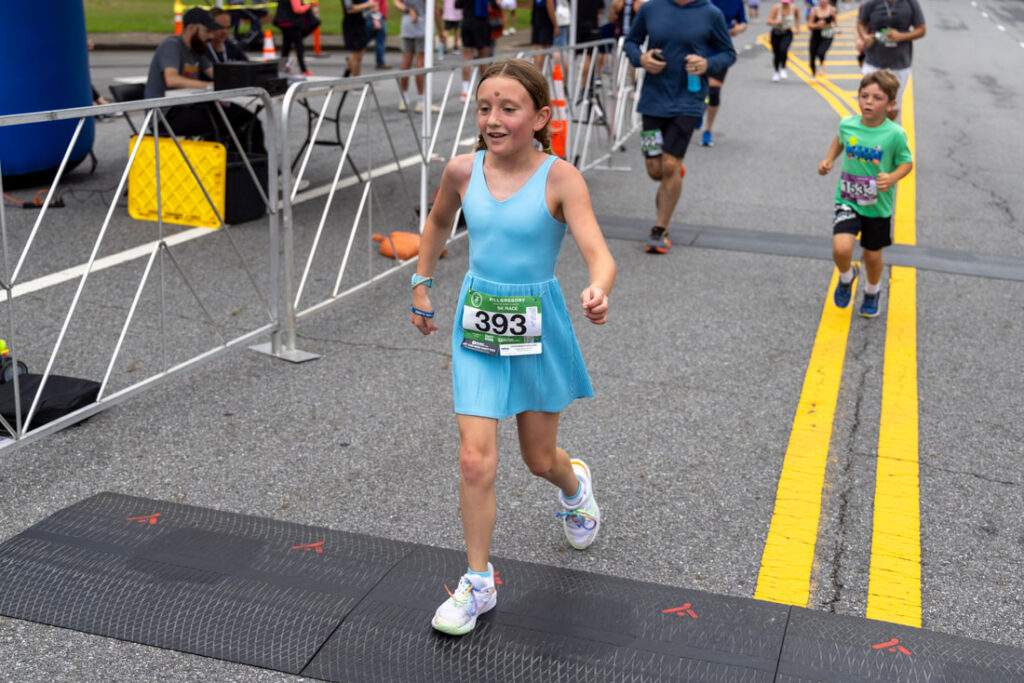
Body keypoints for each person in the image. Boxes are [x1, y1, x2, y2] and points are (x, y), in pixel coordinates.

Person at [410, 58, 615, 636]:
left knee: (538, 460)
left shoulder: (561, 179)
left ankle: (574, 488)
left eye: (508, 108)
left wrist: (598, 288)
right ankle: (478, 583)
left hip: (537, 326)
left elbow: (598, 252)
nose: (493, 120)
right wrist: (421, 281)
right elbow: (437, 222)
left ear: (540, 116)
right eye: (484, 108)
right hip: (477, 324)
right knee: (474, 458)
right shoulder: (461, 170)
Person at [623, 0, 735, 254]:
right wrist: (641, 58)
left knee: (670, 164)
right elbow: (630, 42)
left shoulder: (711, 13)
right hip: (653, 101)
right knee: (655, 169)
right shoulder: (651, 8)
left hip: (689, 101)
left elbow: (728, 53)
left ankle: (660, 229)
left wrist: (707, 64)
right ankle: (671, 174)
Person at [817, 70, 913, 317]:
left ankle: (872, 290)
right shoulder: (847, 124)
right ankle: (846, 277)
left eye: (877, 98)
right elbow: (840, 140)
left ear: (890, 104)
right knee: (841, 249)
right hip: (848, 199)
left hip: (877, 206)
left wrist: (892, 177)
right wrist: (829, 159)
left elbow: (906, 163)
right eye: (864, 96)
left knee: (871, 255)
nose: (869, 102)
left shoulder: (894, 134)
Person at [144, 7, 265, 154]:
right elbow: (172, 79)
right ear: (191, 28)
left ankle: (249, 162)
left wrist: (247, 78)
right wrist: (209, 85)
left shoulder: (196, 49)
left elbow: (215, 73)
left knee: (245, 119)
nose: (210, 36)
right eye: (207, 31)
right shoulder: (172, 45)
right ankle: (235, 162)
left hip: (187, 107)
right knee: (224, 121)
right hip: (165, 115)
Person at [856, 0, 925, 117]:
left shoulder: (910, 3)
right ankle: (872, 129)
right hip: (873, 63)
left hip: (899, 64)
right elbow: (861, 23)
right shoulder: (871, 2)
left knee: (892, 107)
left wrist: (901, 36)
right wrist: (865, 37)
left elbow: (921, 29)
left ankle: (887, 129)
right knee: (868, 105)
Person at [700, 0, 746, 147]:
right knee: (698, 89)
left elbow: (743, 22)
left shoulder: (736, 2)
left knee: (713, 91)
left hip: (720, 51)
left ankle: (707, 130)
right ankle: (698, 110)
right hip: (699, 48)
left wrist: (737, 29)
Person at [394, 0, 438, 112]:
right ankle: (421, 100)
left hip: (407, 25)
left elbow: (396, 2)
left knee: (406, 62)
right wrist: (441, 30)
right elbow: (435, 9)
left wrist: (408, 9)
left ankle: (403, 98)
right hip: (423, 26)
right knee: (420, 63)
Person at [460, 0, 498, 99]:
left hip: (466, 21)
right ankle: (485, 89)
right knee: (483, 59)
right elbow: (495, 4)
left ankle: (465, 91)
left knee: (467, 56)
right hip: (481, 22)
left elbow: (458, 4)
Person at [274, 0, 316, 75]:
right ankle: (303, 70)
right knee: (299, 46)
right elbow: (297, 9)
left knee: (286, 47)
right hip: (292, 23)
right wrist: (307, 6)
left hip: (283, 22)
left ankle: (282, 68)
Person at [343, 0, 377, 77]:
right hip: (352, 27)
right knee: (357, 57)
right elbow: (349, 9)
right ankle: (357, 81)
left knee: (359, 55)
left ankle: (346, 76)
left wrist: (371, 10)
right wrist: (367, 5)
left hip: (361, 25)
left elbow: (362, 12)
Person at [766, 0, 798, 81]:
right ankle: (776, 72)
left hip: (787, 33)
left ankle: (783, 68)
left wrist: (797, 28)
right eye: (784, 2)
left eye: (787, 3)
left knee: (783, 49)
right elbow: (768, 21)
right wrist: (777, 21)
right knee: (776, 53)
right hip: (776, 32)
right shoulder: (776, 8)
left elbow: (797, 17)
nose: (785, 4)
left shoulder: (794, 8)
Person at [807, 0, 837, 79]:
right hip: (816, 34)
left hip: (827, 35)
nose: (823, 1)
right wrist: (817, 25)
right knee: (812, 55)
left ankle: (821, 63)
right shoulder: (814, 10)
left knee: (821, 52)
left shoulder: (832, 10)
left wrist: (836, 28)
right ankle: (813, 74)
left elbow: (835, 22)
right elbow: (809, 25)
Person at [530, 0, 558, 67]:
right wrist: (556, 25)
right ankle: (537, 71)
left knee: (536, 47)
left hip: (537, 15)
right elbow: (549, 3)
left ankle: (531, 70)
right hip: (545, 18)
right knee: (542, 48)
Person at [369, 0, 392, 69]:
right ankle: (380, 63)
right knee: (380, 42)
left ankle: (353, 57)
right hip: (378, 18)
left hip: (377, 18)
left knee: (365, 40)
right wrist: (376, 19)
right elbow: (374, 4)